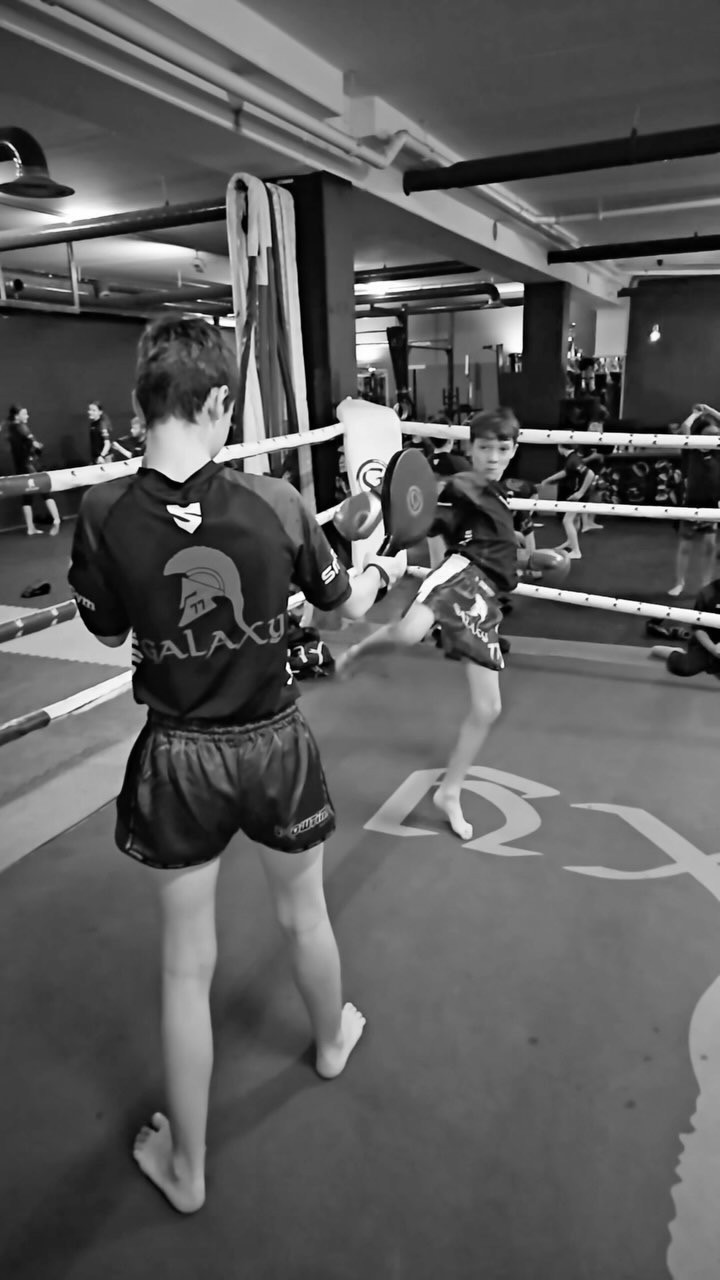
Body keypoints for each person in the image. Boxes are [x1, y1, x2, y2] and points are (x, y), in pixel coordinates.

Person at [67, 316, 405, 1214]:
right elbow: (337, 609)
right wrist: (372, 570)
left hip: (178, 756)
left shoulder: (101, 512)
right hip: (274, 741)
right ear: (219, 403)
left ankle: (187, 1169)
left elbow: (104, 628)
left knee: (187, 966)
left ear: (144, 407)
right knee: (305, 917)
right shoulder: (280, 501)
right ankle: (331, 1042)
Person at [336, 407, 522, 844]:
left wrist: (526, 561)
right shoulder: (464, 484)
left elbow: (443, 521)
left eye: (502, 448)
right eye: (484, 447)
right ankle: (360, 652)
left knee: (488, 708)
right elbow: (423, 505)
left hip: (485, 595)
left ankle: (450, 792)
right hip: (461, 572)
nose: (493, 456)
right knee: (406, 632)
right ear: (469, 448)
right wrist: (380, 511)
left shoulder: (497, 493)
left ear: (514, 450)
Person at [668, 414, 720, 598]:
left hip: (712, 505)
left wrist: (711, 411)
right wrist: (697, 414)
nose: (714, 438)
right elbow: (685, 427)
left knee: (709, 547)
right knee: (685, 546)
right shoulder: (692, 450)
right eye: (709, 435)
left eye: (717, 435)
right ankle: (679, 583)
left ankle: (706, 583)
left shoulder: (717, 452)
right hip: (691, 503)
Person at [4, 404, 61, 536]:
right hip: (30, 466)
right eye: (24, 414)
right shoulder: (21, 427)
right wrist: (38, 446)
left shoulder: (8, 428)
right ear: (17, 416)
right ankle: (56, 521)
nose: (27, 416)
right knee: (46, 492)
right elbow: (35, 445)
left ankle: (30, 527)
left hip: (20, 467)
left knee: (26, 497)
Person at [650, 577, 720, 678]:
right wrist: (713, 649)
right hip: (708, 644)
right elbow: (699, 628)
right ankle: (673, 653)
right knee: (683, 667)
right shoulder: (708, 592)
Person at [541, 444, 596, 559]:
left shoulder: (573, 459)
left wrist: (580, 492)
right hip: (580, 494)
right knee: (575, 520)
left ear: (560, 447)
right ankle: (571, 543)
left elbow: (590, 474)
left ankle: (576, 551)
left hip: (579, 495)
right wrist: (549, 479)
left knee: (567, 521)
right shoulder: (572, 458)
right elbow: (566, 472)